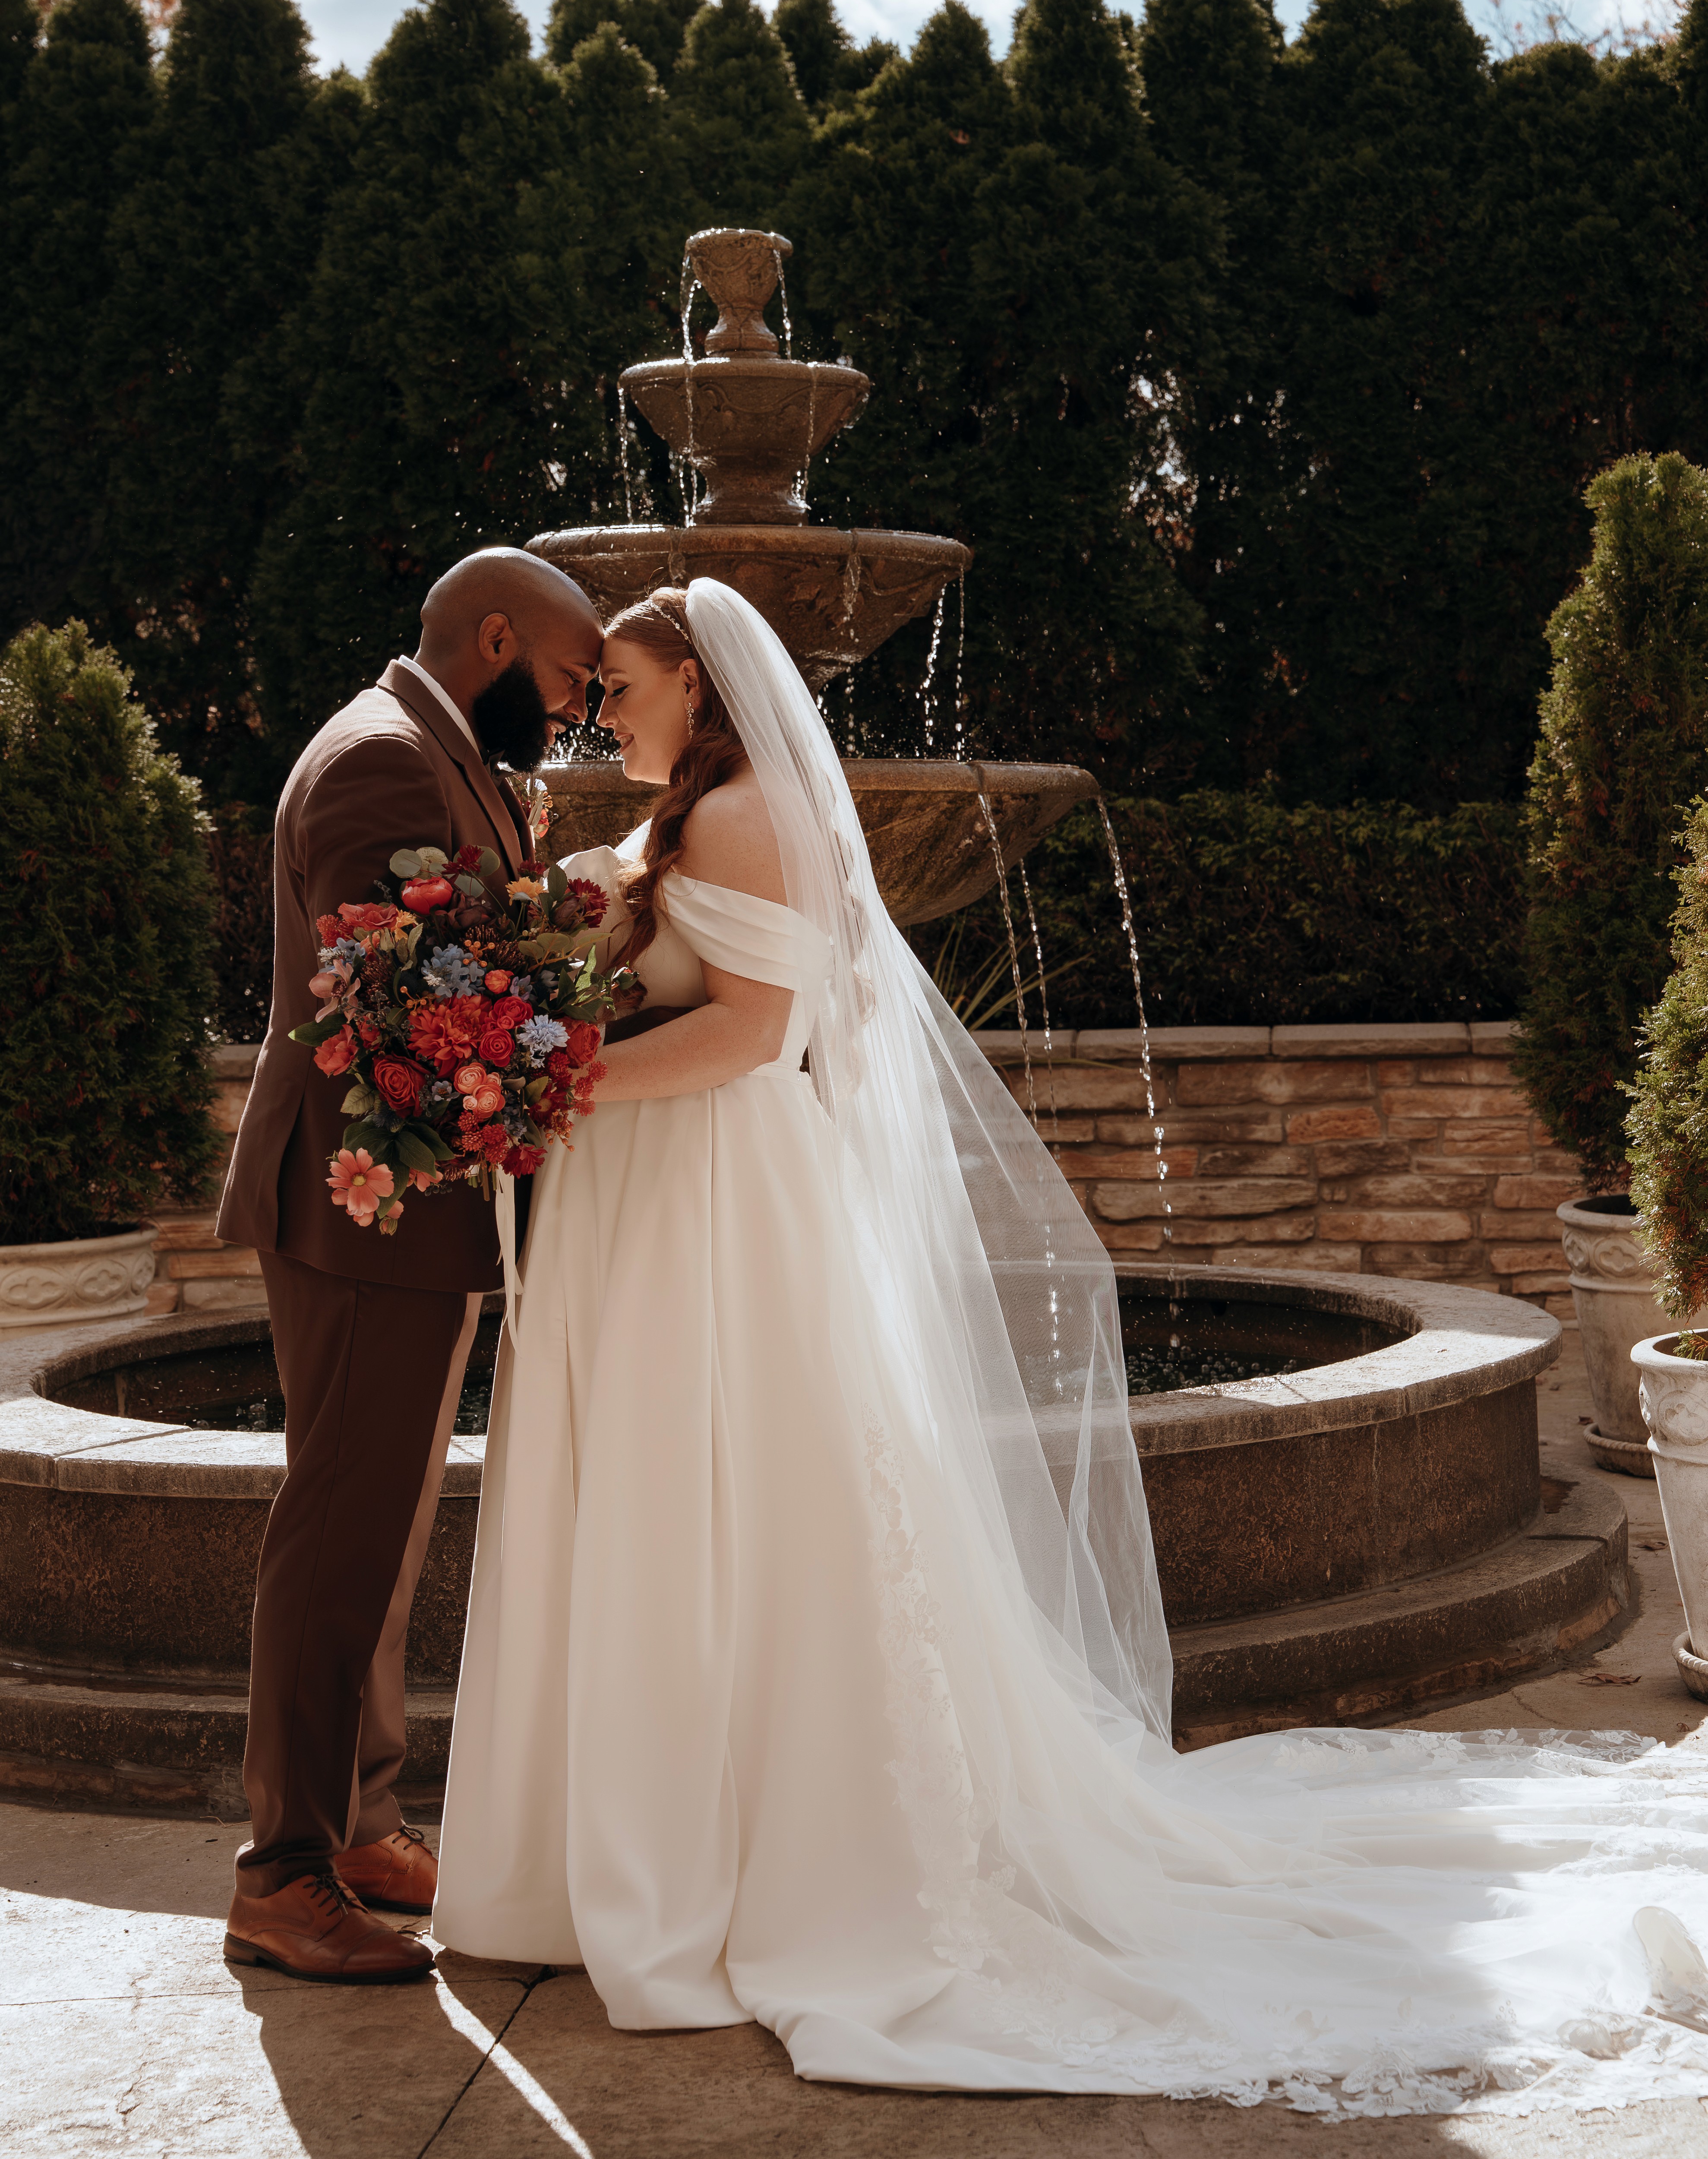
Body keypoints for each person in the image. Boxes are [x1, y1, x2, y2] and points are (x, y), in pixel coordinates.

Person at [436, 579, 1708, 2117]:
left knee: (724, 1511)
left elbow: (752, 1034)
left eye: (623, 685)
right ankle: (638, 1850)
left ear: (701, 687)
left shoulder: (739, 816)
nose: (600, 711)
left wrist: (546, 1088)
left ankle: (727, 1862)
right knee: (665, 1510)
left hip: (712, 1201)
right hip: (661, 1198)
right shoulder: (695, 815)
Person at [219, 546, 602, 1984]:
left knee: (377, 1539)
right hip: (361, 1214)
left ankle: (362, 1825)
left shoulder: (439, 751)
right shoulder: (381, 762)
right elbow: (420, 1003)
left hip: (408, 1216)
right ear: (494, 639)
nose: (566, 715)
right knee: (337, 1534)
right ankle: (284, 1873)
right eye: (563, 684)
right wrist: (583, 999)